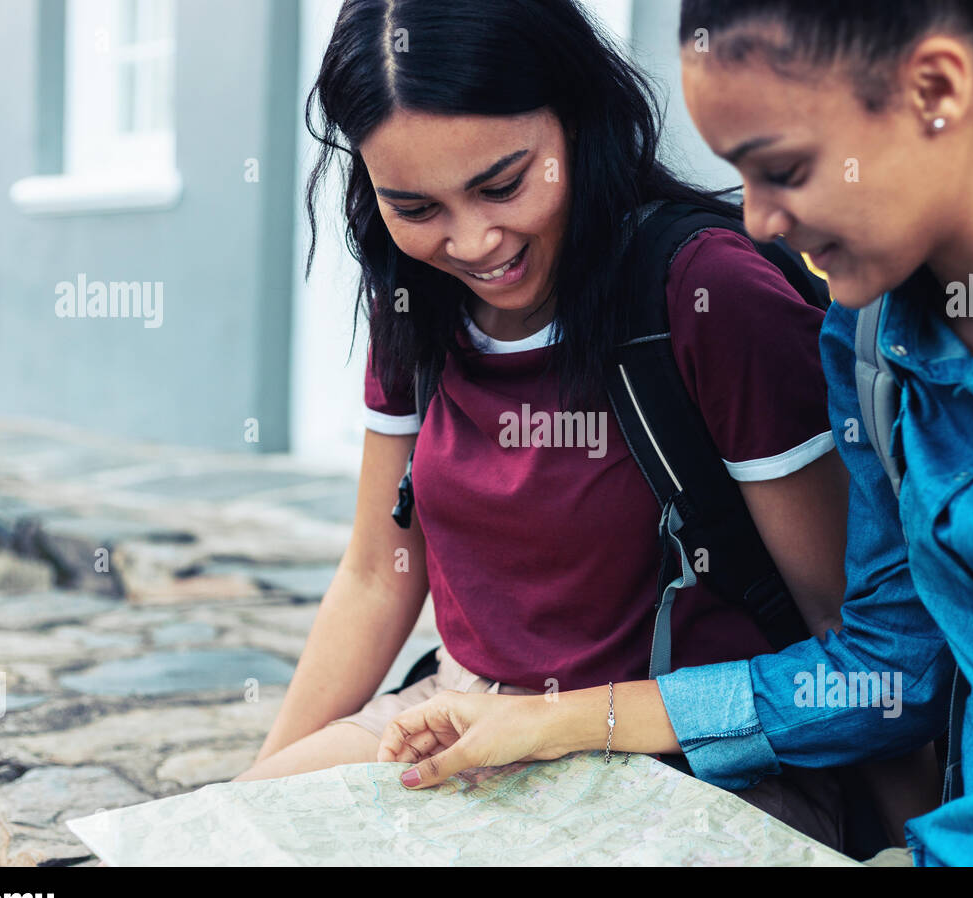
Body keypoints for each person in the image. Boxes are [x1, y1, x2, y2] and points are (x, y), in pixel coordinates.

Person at [377, 0, 973, 866]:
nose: (761, 220)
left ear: (936, 87)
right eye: (740, 172)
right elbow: (887, 672)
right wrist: (550, 721)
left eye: (784, 169)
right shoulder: (872, 341)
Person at [235, 0, 933, 854]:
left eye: (503, 184)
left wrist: (910, 830)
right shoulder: (414, 296)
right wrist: (246, 797)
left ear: (577, 117)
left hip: (683, 757)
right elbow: (381, 574)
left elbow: (846, 632)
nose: (474, 240)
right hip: (457, 721)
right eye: (415, 206)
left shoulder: (708, 294)